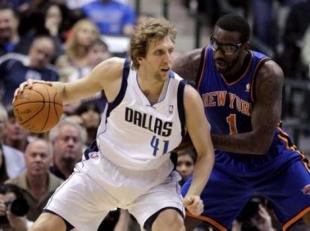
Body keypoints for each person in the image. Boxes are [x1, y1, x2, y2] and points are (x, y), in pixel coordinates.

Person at [14, 17, 214, 231]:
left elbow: (206, 152)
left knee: (173, 226)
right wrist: (35, 87)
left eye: (170, 50)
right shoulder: (116, 73)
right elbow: (67, 91)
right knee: (42, 229)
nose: (168, 59)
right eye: (159, 52)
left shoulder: (186, 97)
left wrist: (194, 192)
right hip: (102, 171)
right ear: (140, 57)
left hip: (152, 181)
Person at [172, 14, 310, 231]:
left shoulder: (267, 73)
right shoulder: (195, 64)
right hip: (223, 162)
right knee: (172, 222)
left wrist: (197, 140)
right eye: (215, 44)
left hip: (273, 161)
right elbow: (152, 84)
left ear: (245, 47)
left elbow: (259, 144)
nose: (218, 53)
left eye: (228, 48)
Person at [6, 139, 64, 222]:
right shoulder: (10, 187)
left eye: (43, 155)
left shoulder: (62, 188)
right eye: (33, 155)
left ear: (51, 160)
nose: (38, 160)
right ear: (25, 158)